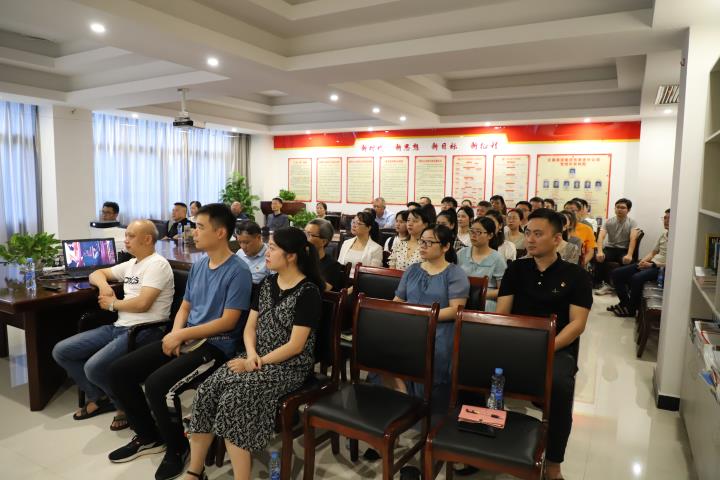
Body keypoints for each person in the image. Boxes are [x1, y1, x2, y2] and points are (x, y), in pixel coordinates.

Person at [107, 204, 253, 480]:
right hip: (187, 337)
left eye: (200, 227)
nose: (193, 232)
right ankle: (149, 436)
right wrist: (174, 334)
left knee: (158, 385)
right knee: (119, 371)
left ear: (220, 233)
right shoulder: (200, 265)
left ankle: (177, 449)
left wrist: (181, 335)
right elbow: (185, 307)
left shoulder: (238, 271)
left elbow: (228, 321)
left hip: (215, 346)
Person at [184, 227, 324, 480]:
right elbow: (250, 327)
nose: (267, 253)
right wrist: (250, 355)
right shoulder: (267, 283)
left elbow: (296, 346)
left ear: (291, 256)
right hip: (254, 356)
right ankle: (195, 471)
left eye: (273, 248)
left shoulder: (308, 292)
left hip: (289, 366)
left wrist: (255, 363)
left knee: (234, 399)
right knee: (207, 390)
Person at [496, 208, 592, 480]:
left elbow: (577, 324)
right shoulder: (516, 269)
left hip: (556, 347)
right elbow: (503, 313)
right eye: (528, 233)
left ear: (557, 239)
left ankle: (553, 463)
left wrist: (546, 348)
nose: (530, 239)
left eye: (538, 234)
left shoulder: (576, 276)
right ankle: (481, 440)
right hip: (516, 342)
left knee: (560, 385)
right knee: (470, 367)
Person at [52, 220, 173, 431]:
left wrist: (112, 304)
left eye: (131, 236)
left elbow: (143, 304)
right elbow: (96, 273)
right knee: (62, 351)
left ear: (147, 239)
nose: (125, 240)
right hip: (120, 326)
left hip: (146, 330)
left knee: (93, 367)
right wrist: (104, 286)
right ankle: (100, 398)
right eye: (126, 235)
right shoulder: (132, 263)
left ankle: (126, 406)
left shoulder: (157, 264)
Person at [394, 225, 469, 411]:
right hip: (409, 326)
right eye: (422, 241)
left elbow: (456, 309)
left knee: (432, 352)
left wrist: (423, 316)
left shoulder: (455, 273)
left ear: (445, 247)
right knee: (384, 345)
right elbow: (398, 301)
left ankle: (425, 405)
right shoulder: (412, 270)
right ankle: (403, 397)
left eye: (429, 243)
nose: (423, 246)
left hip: (439, 329)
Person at [609, 209, 670, 317]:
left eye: (669, 218)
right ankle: (625, 303)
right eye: (665, 218)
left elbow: (674, 264)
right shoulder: (664, 234)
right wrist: (642, 261)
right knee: (616, 273)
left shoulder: (679, 239)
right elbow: (653, 252)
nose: (666, 220)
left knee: (636, 278)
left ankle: (631, 310)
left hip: (661, 268)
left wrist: (653, 265)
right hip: (651, 263)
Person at [457, 217, 506, 311]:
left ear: (490, 235)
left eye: (478, 232)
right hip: (461, 300)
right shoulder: (461, 253)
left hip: (486, 303)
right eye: (471, 231)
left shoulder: (497, 258)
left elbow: (503, 291)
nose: (473, 235)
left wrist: (479, 294)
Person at [595, 198, 640, 293]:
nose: (619, 209)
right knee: (598, 258)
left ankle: (623, 286)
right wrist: (599, 251)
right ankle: (603, 284)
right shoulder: (609, 221)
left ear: (628, 210)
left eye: (623, 208)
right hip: (610, 249)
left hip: (624, 250)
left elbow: (633, 239)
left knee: (629, 262)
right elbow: (601, 237)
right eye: (617, 207)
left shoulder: (632, 222)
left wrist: (629, 255)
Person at [305, 218, 345, 291]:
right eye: (304, 233)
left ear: (324, 242)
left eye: (309, 235)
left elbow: (325, 288)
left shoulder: (333, 265)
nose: (304, 238)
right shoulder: (299, 259)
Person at [563, 200, 596, 266]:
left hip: (578, 263)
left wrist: (580, 266)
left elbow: (590, 252)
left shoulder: (586, 228)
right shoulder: (557, 227)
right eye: (566, 211)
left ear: (580, 212)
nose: (569, 213)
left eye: (573, 211)